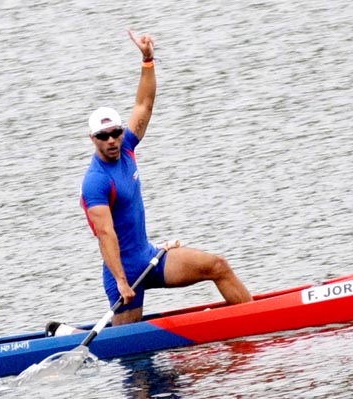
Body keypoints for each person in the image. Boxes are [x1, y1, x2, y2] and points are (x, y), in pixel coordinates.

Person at [49, 30, 252, 335]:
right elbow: (106, 235)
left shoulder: (128, 146)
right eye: (103, 136)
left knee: (217, 266)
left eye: (115, 132)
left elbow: (144, 104)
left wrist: (147, 60)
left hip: (150, 257)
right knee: (125, 356)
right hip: (126, 270)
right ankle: (73, 337)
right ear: (92, 139)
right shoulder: (96, 182)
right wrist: (120, 279)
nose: (112, 140)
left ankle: (253, 322)